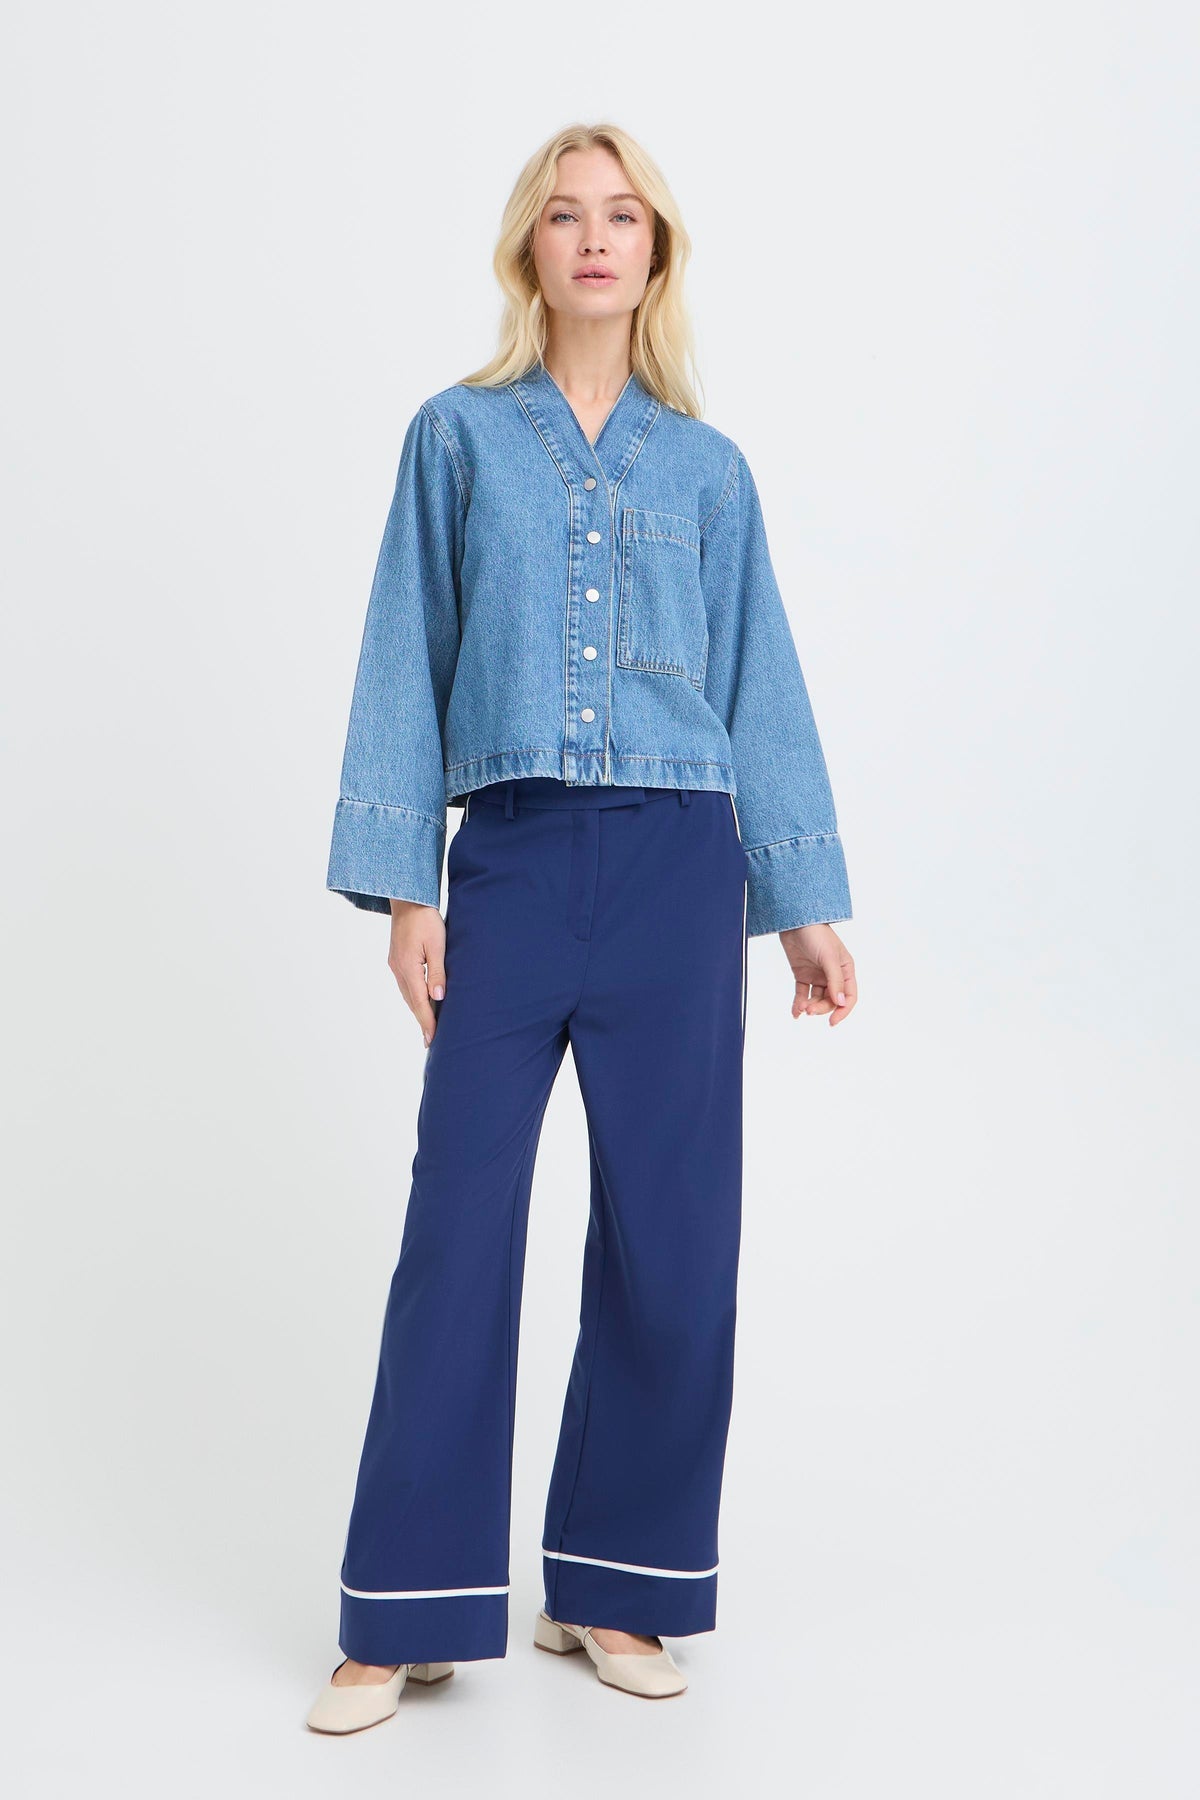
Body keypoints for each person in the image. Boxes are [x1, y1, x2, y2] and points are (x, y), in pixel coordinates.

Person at [307, 120, 858, 1734]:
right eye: (566, 216)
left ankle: (615, 1585)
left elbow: (760, 679)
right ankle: (405, 1608)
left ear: (657, 251)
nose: (596, 239)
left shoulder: (708, 468)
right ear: (529, 250)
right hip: (513, 866)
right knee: (459, 1222)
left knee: (673, 1237)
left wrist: (803, 902)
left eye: (623, 216)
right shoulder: (459, 438)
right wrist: (408, 886)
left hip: (682, 868)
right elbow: (403, 650)